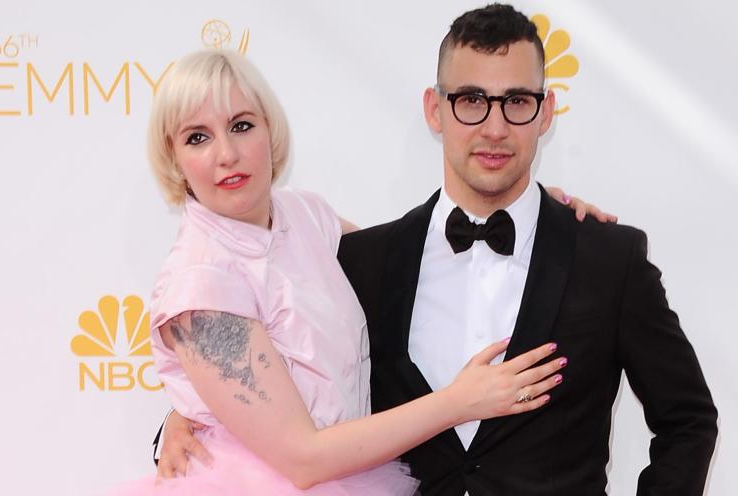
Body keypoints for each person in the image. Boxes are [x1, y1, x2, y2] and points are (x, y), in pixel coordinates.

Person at [160, 4, 718, 495]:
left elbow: (688, 420)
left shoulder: (608, 257)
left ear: (545, 114)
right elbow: (255, 378)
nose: (495, 128)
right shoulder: (370, 260)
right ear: (435, 109)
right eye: (472, 99)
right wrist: (186, 419)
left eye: (517, 101)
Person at [115, 48, 574, 495]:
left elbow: (409, 255)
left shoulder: (302, 212)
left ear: (269, 130)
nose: (227, 154)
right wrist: (458, 402)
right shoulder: (199, 284)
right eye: (198, 137)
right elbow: (303, 459)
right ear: (173, 158)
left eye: (241, 125)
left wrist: (528, 209)